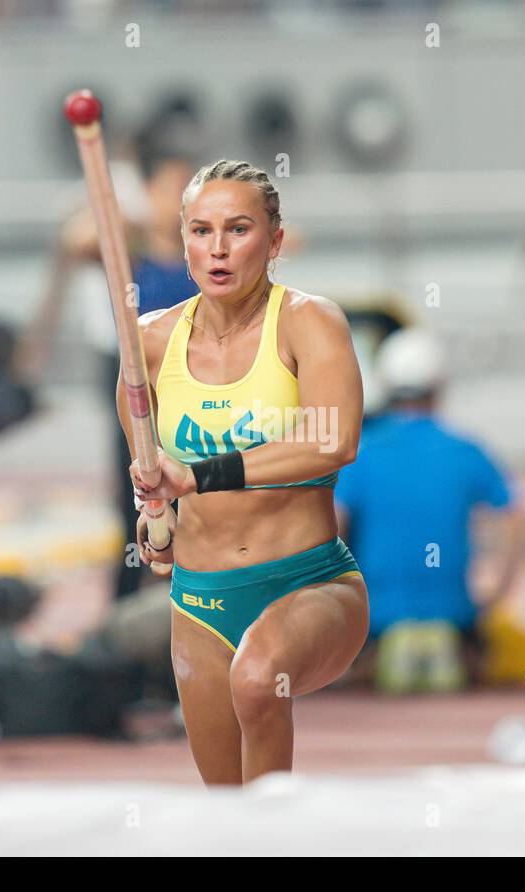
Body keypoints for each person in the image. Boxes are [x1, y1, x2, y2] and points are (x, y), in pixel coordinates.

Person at [123, 159, 369, 785]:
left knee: (259, 679)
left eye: (238, 229)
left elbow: (333, 440)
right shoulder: (148, 344)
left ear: (276, 241)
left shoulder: (309, 322)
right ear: (183, 244)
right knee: (227, 811)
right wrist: (157, 520)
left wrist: (199, 476)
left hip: (309, 586)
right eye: (201, 231)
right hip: (202, 602)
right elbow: (154, 488)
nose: (219, 249)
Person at [21, 146, 199, 602]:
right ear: (148, 192)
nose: (181, 199)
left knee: (197, 504)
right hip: (141, 393)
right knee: (136, 503)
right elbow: (77, 236)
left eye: (189, 189)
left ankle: (194, 604)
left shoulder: (202, 251)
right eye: (171, 189)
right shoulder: (130, 252)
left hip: (196, 393)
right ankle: (123, 607)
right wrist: (131, 214)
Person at [334, 327, 525, 691]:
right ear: (440, 387)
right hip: (455, 613)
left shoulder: (360, 453)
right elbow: (518, 517)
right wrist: (497, 594)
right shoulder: (465, 450)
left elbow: (332, 528)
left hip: (376, 619)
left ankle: (372, 658)